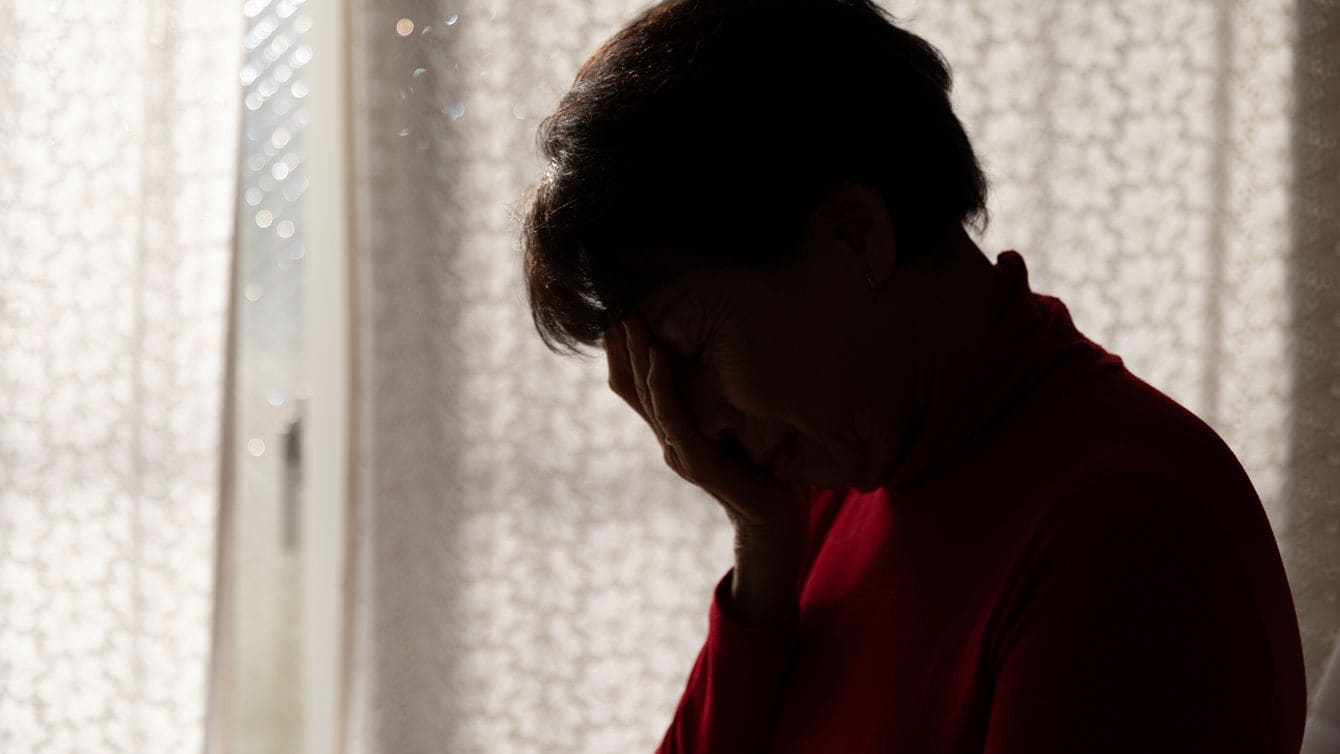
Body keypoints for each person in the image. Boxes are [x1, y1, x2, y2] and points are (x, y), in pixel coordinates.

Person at [517, 0, 1308, 751]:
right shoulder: (841, 479)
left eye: (691, 349)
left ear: (856, 237)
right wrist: (762, 548)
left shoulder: (1122, 531)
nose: (691, 425)